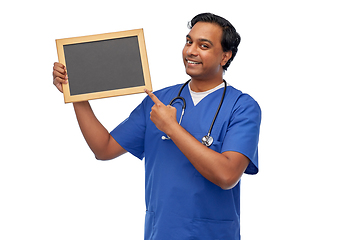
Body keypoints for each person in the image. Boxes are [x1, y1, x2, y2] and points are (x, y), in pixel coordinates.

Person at [53, 13, 261, 240]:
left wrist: (172, 128)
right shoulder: (159, 101)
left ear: (225, 56)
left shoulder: (242, 107)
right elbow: (104, 149)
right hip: (161, 233)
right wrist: (75, 93)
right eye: (189, 41)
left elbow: (227, 175)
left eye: (204, 45)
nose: (191, 51)